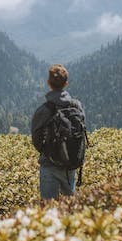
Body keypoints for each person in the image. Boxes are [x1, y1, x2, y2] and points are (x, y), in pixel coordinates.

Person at [31, 64, 85, 201]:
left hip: (49, 164)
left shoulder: (43, 110)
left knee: (48, 210)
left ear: (48, 83)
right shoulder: (76, 106)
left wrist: (49, 151)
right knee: (70, 208)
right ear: (66, 83)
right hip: (70, 163)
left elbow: (36, 140)